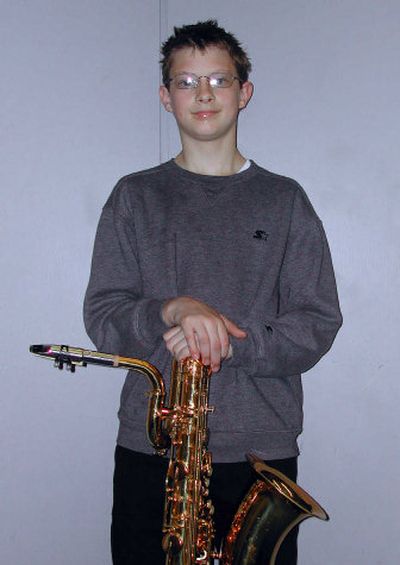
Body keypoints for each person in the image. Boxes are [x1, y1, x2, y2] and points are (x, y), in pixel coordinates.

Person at [83, 20, 342, 565]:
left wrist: (227, 343)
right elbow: (104, 315)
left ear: (243, 93)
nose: (203, 95)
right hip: (154, 451)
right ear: (165, 96)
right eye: (186, 82)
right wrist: (171, 311)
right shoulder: (133, 197)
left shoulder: (285, 200)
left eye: (219, 80)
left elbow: (316, 323)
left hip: (257, 456)